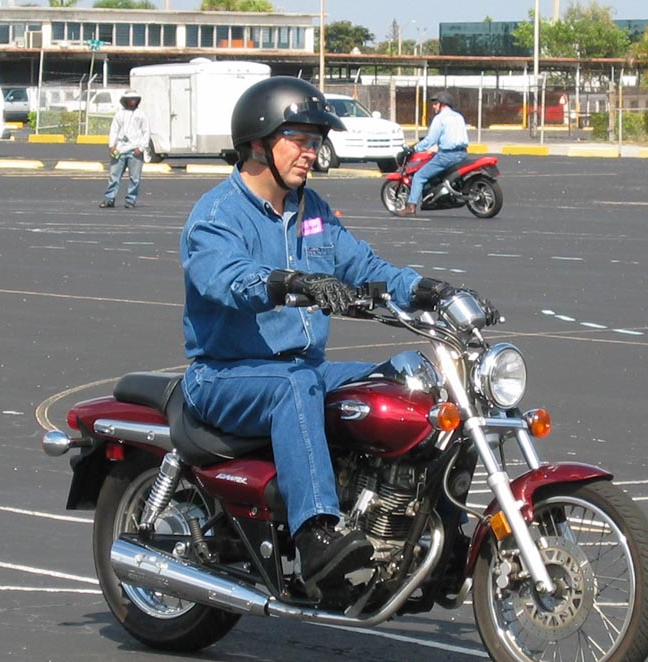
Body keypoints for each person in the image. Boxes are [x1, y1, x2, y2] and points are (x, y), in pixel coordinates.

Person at [179, 76, 496, 600]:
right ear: (258, 143)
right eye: (300, 140)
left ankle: (436, 535)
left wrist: (430, 290)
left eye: (316, 141)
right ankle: (316, 537)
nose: (312, 152)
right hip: (224, 375)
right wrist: (292, 282)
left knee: (416, 383)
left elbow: (364, 265)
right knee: (294, 384)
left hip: (302, 368)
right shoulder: (217, 215)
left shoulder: (312, 211)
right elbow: (227, 278)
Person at [394, 90, 469, 217]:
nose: (434, 106)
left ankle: (411, 206)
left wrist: (414, 148)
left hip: (447, 156)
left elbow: (430, 140)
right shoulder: (458, 117)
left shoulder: (440, 118)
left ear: (442, 104)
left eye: (435, 104)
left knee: (419, 176)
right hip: (462, 154)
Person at [100, 91, 150, 209]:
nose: (133, 100)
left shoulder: (141, 115)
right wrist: (111, 146)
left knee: (134, 178)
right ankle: (109, 199)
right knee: (114, 176)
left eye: (135, 98)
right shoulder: (119, 114)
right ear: (125, 100)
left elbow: (146, 132)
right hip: (120, 150)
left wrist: (141, 148)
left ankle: (130, 200)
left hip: (135, 150)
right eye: (130, 98)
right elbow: (114, 130)